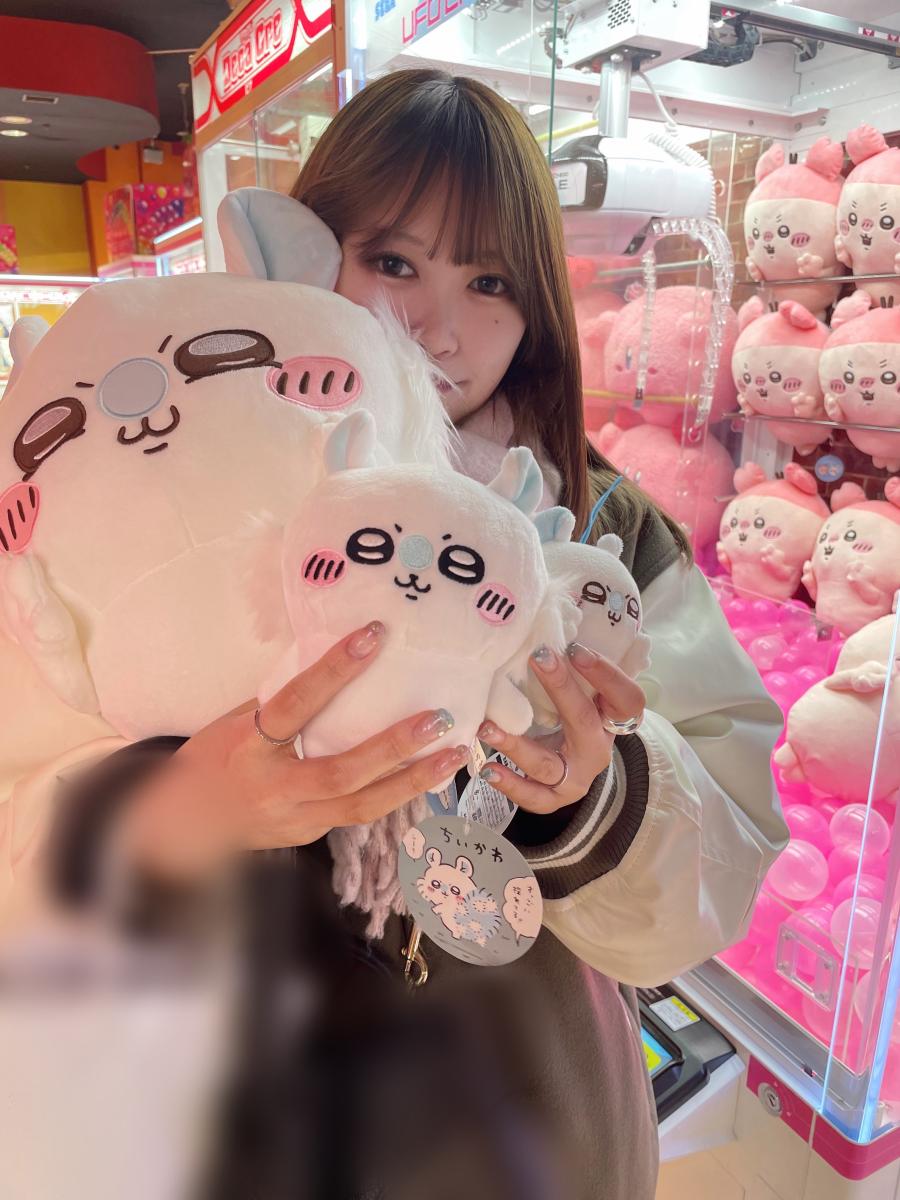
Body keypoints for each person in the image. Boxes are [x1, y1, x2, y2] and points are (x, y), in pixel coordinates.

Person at [40, 70, 786, 1200]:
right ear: (306, 254)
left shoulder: (602, 529)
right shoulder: (188, 478)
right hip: (223, 1119)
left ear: (537, 307)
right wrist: (180, 811)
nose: (437, 327)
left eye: (489, 281)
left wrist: (597, 797)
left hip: (525, 1124)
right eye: (393, 262)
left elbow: (722, 869)